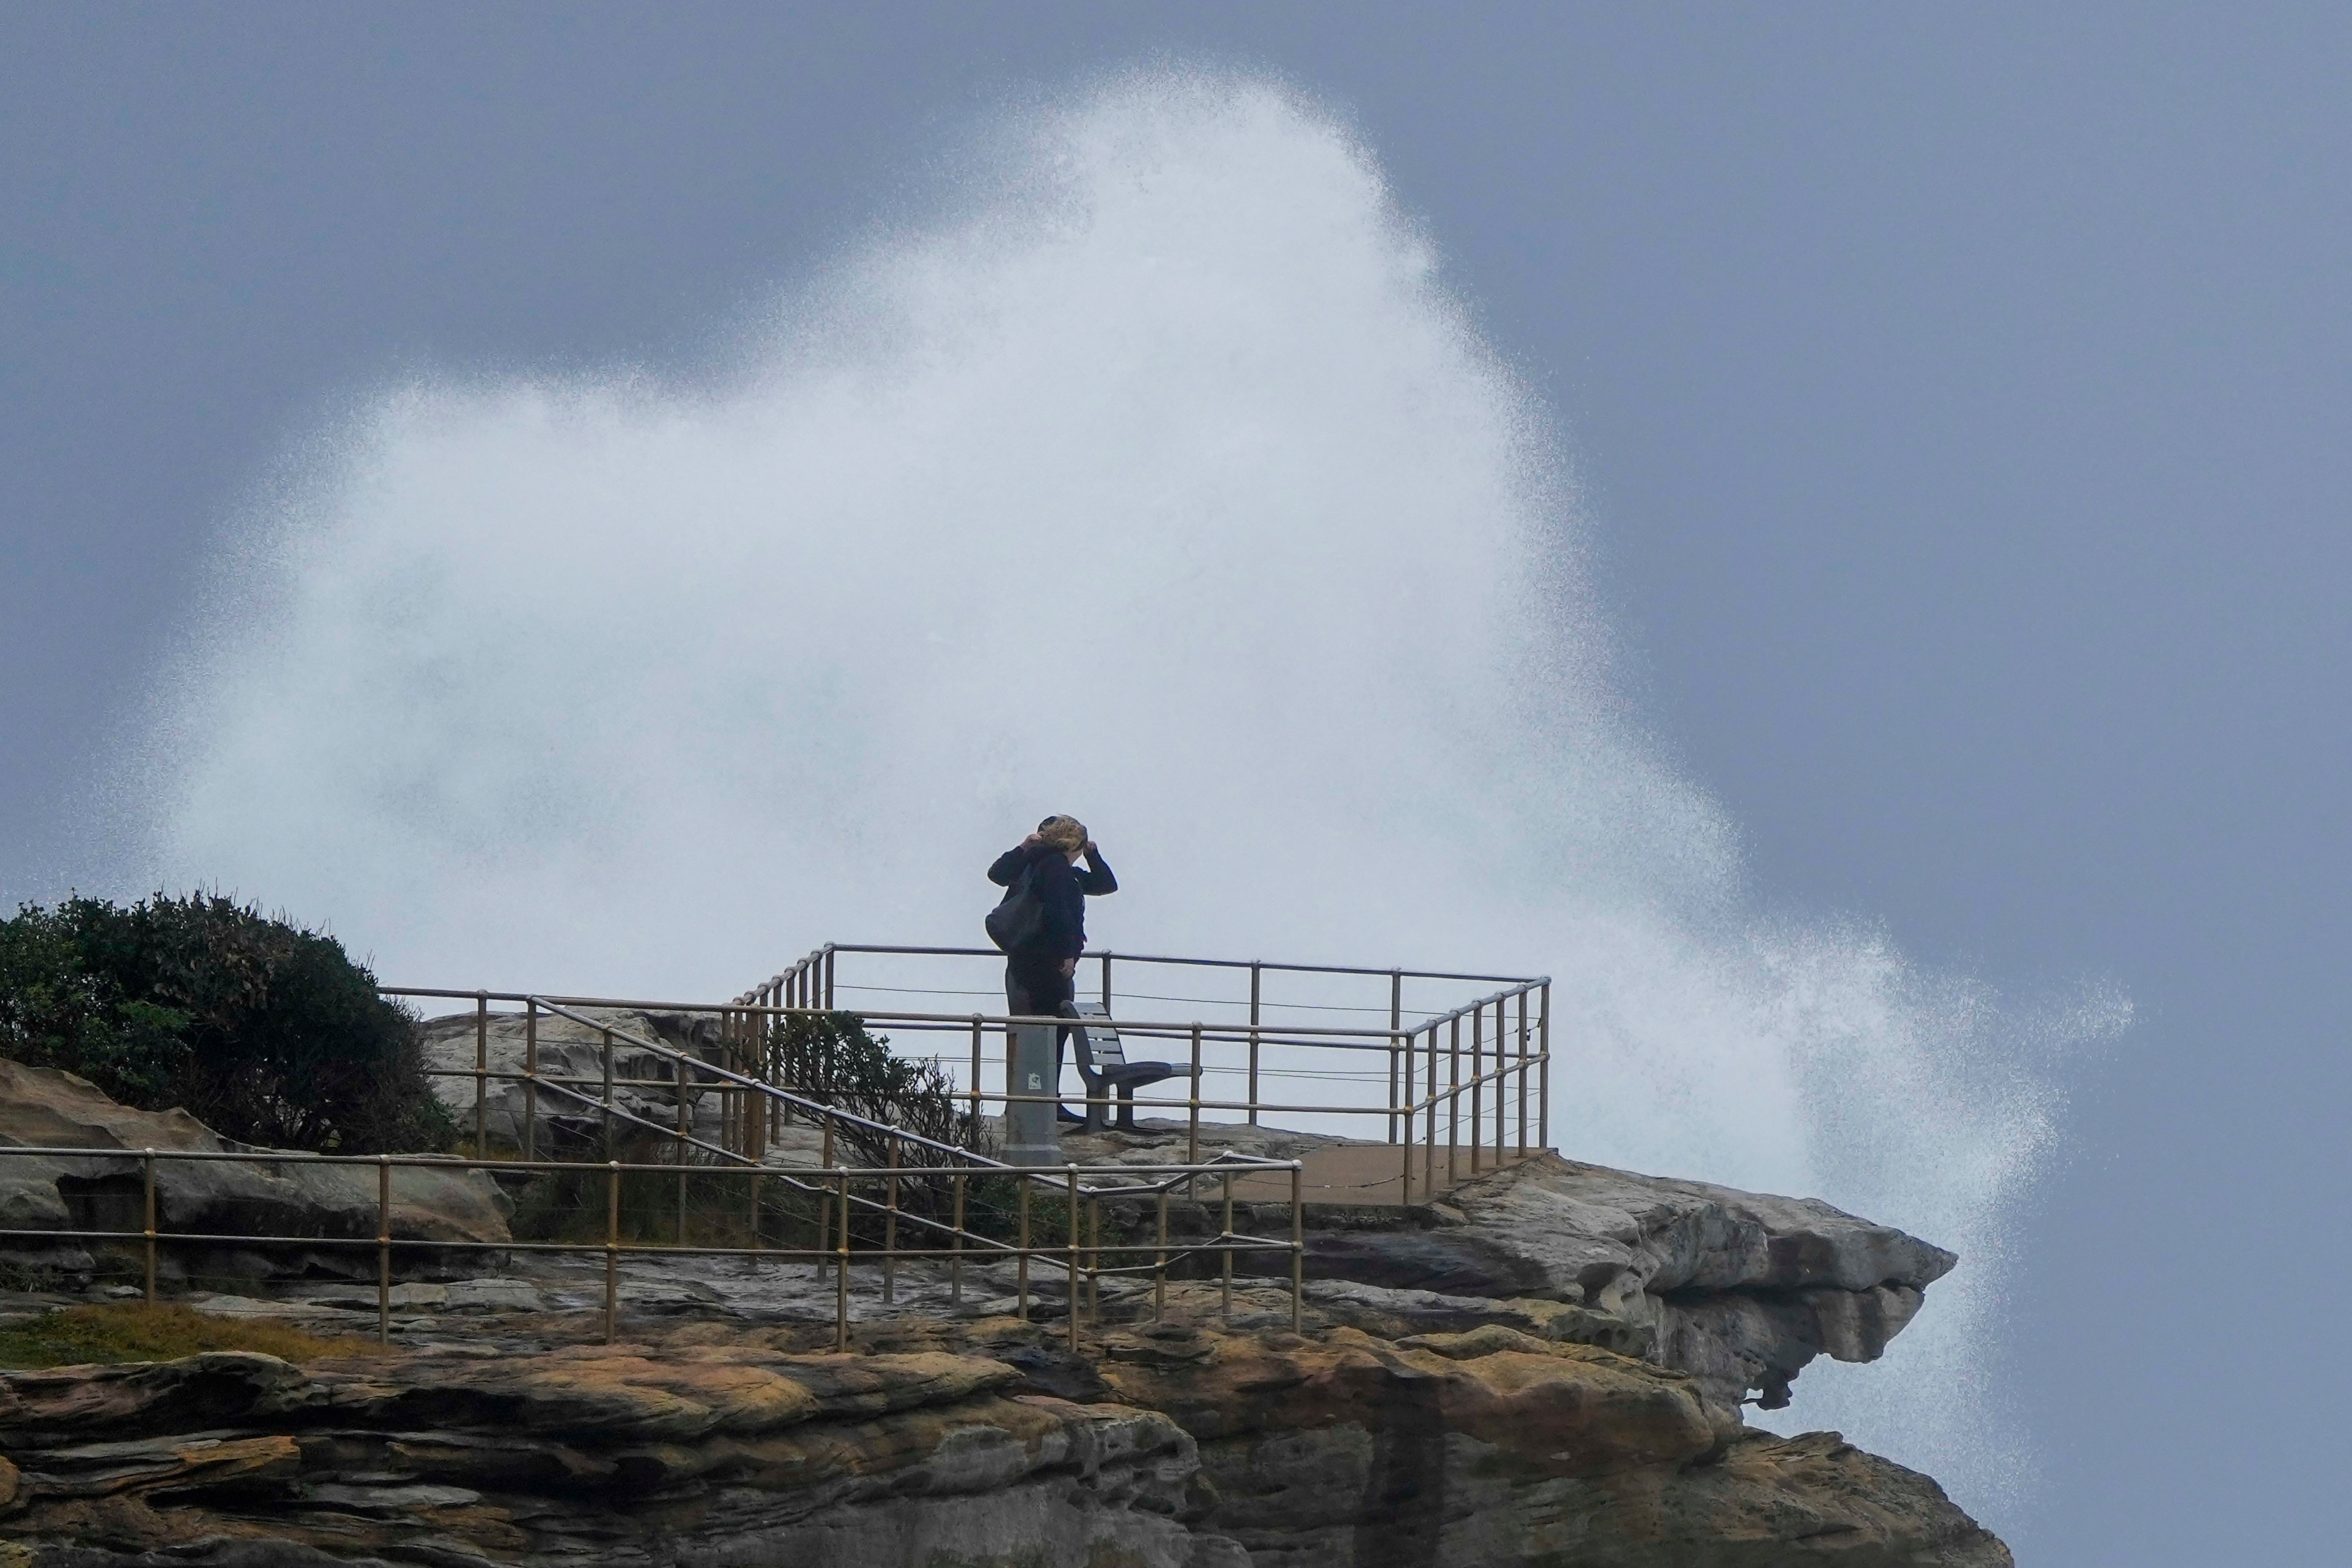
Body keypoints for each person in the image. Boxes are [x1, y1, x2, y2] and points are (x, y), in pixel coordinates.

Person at [987, 815, 1116, 1122]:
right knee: (1051, 1033)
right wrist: (1067, 956)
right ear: (1074, 844)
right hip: (1046, 967)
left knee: (1031, 1033)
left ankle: (1029, 1101)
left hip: (1021, 964)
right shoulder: (1057, 868)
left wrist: (1024, 848)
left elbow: (1105, 885)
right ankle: (1044, 1103)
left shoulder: (1034, 863)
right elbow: (1059, 914)